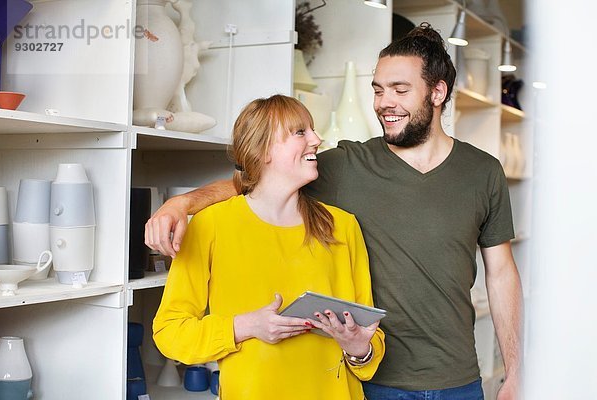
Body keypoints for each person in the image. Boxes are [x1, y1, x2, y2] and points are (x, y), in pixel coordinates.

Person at [146, 24, 523, 400]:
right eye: (377, 90)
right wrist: (182, 203)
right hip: (375, 386)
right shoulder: (346, 165)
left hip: (455, 377)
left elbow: (502, 273)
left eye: (400, 90)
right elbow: (258, 180)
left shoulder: (481, 172)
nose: (384, 102)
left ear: (437, 92)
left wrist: (515, 372)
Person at [152, 94, 386, 400]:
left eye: (311, 130)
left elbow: (370, 341)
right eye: (300, 132)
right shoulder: (211, 225)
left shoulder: (342, 226)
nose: (316, 139)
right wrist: (244, 326)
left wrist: (359, 349)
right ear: (261, 150)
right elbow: (170, 333)